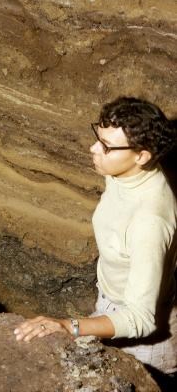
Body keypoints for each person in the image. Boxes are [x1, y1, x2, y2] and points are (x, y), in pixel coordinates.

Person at [14, 96, 177, 390]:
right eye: (97, 138)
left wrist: (67, 325)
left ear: (141, 156)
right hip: (110, 301)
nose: (93, 149)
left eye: (106, 146)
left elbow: (141, 318)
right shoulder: (124, 173)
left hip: (145, 342)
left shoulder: (148, 222)